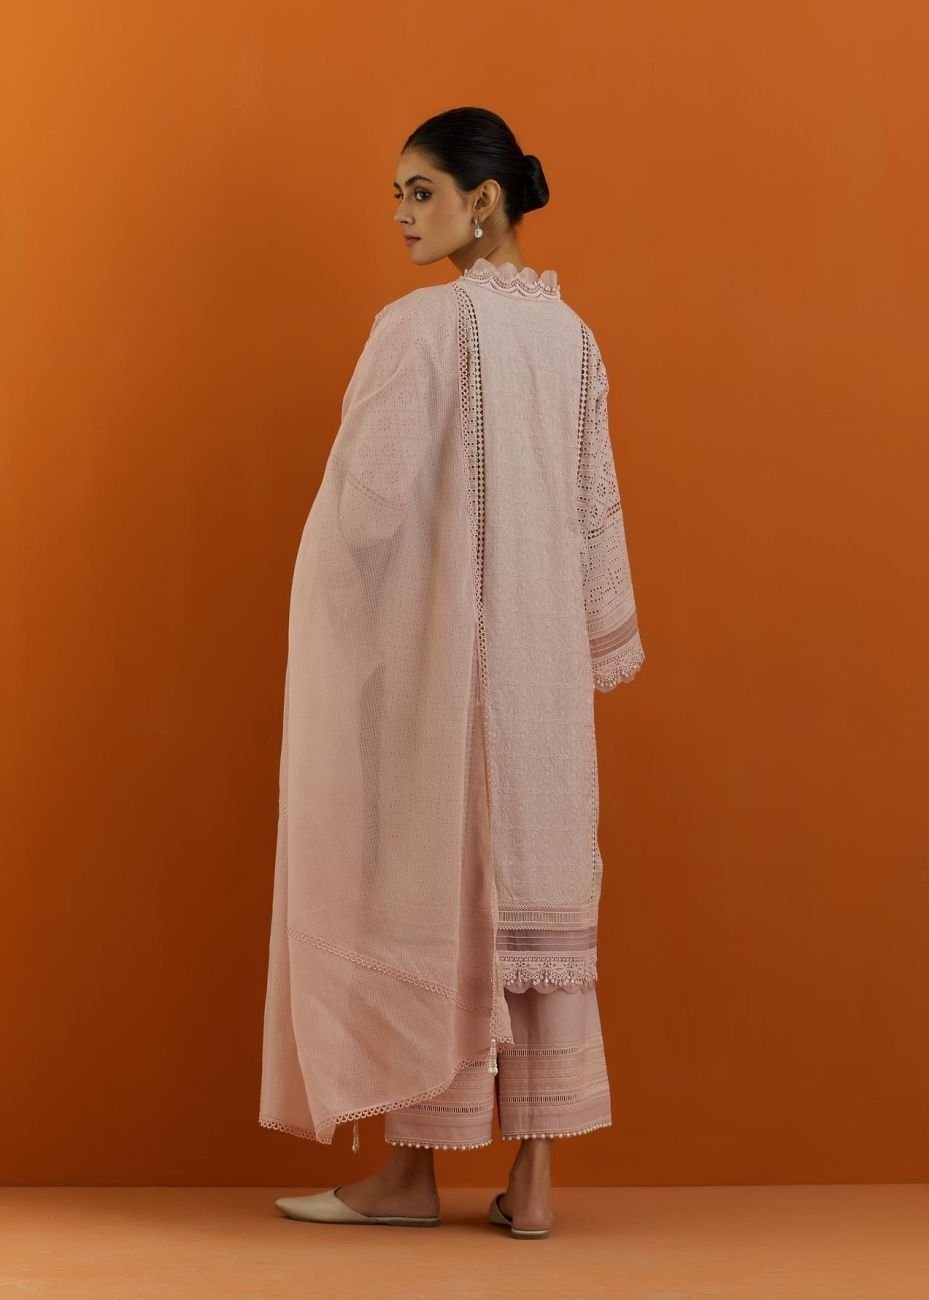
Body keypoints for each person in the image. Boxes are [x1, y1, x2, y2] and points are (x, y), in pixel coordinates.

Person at [260, 107, 645, 1239]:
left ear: (484, 200)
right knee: (532, 910)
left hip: (447, 685)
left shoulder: (421, 328)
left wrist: (337, 626)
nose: (399, 214)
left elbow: (364, 514)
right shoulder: (573, 339)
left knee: (435, 901)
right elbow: (596, 516)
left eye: (418, 191)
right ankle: (532, 1184)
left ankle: (407, 1176)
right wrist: (589, 643)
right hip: (542, 696)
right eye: (395, 194)